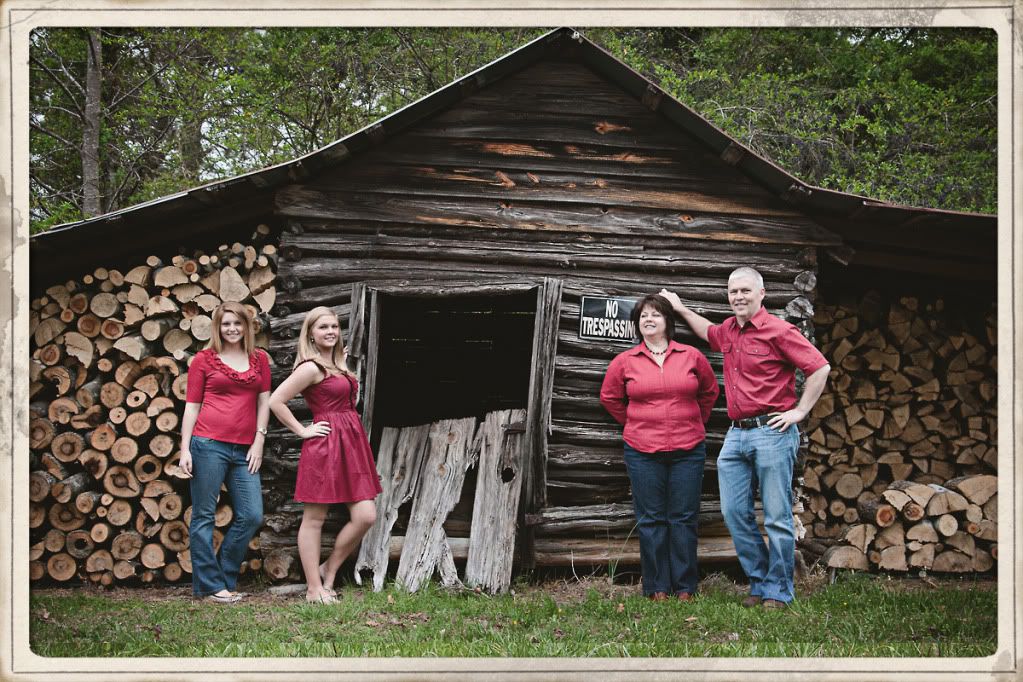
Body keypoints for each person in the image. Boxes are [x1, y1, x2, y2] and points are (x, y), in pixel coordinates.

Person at [659, 267, 830, 609]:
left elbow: (819, 367)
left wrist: (799, 412)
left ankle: (778, 591)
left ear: (761, 294)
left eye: (745, 291)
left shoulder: (779, 330)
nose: (738, 297)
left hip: (773, 432)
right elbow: (707, 331)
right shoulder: (729, 330)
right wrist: (679, 309)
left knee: (777, 516)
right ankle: (760, 581)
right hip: (736, 435)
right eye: (733, 291)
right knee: (734, 512)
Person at [599, 294, 719, 602]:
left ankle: (685, 587)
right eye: (643, 316)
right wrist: (635, 422)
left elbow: (710, 391)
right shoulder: (626, 361)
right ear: (637, 324)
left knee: (683, 517)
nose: (649, 320)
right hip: (642, 450)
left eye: (655, 314)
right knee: (651, 518)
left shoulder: (691, 356)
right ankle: (657, 587)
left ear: (668, 321)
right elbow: (609, 397)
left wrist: (695, 420)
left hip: (688, 448)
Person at [269, 306, 381, 604]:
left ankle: (329, 569)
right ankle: (313, 588)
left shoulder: (337, 363)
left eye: (334, 326)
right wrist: (302, 431)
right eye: (323, 327)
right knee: (314, 519)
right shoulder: (310, 367)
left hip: (351, 445)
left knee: (366, 515)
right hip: (326, 445)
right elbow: (276, 401)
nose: (330, 331)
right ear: (310, 334)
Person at [179, 302, 269, 603]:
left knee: (252, 514)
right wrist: (184, 449)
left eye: (237, 323)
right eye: (226, 323)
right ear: (217, 327)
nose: (232, 328)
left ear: (247, 326)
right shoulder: (203, 360)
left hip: (245, 450)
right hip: (207, 445)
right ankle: (211, 586)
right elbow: (192, 407)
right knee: (204, 515)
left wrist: (259, 440)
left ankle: (223, 578)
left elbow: (264, 402)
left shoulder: (259, 359)